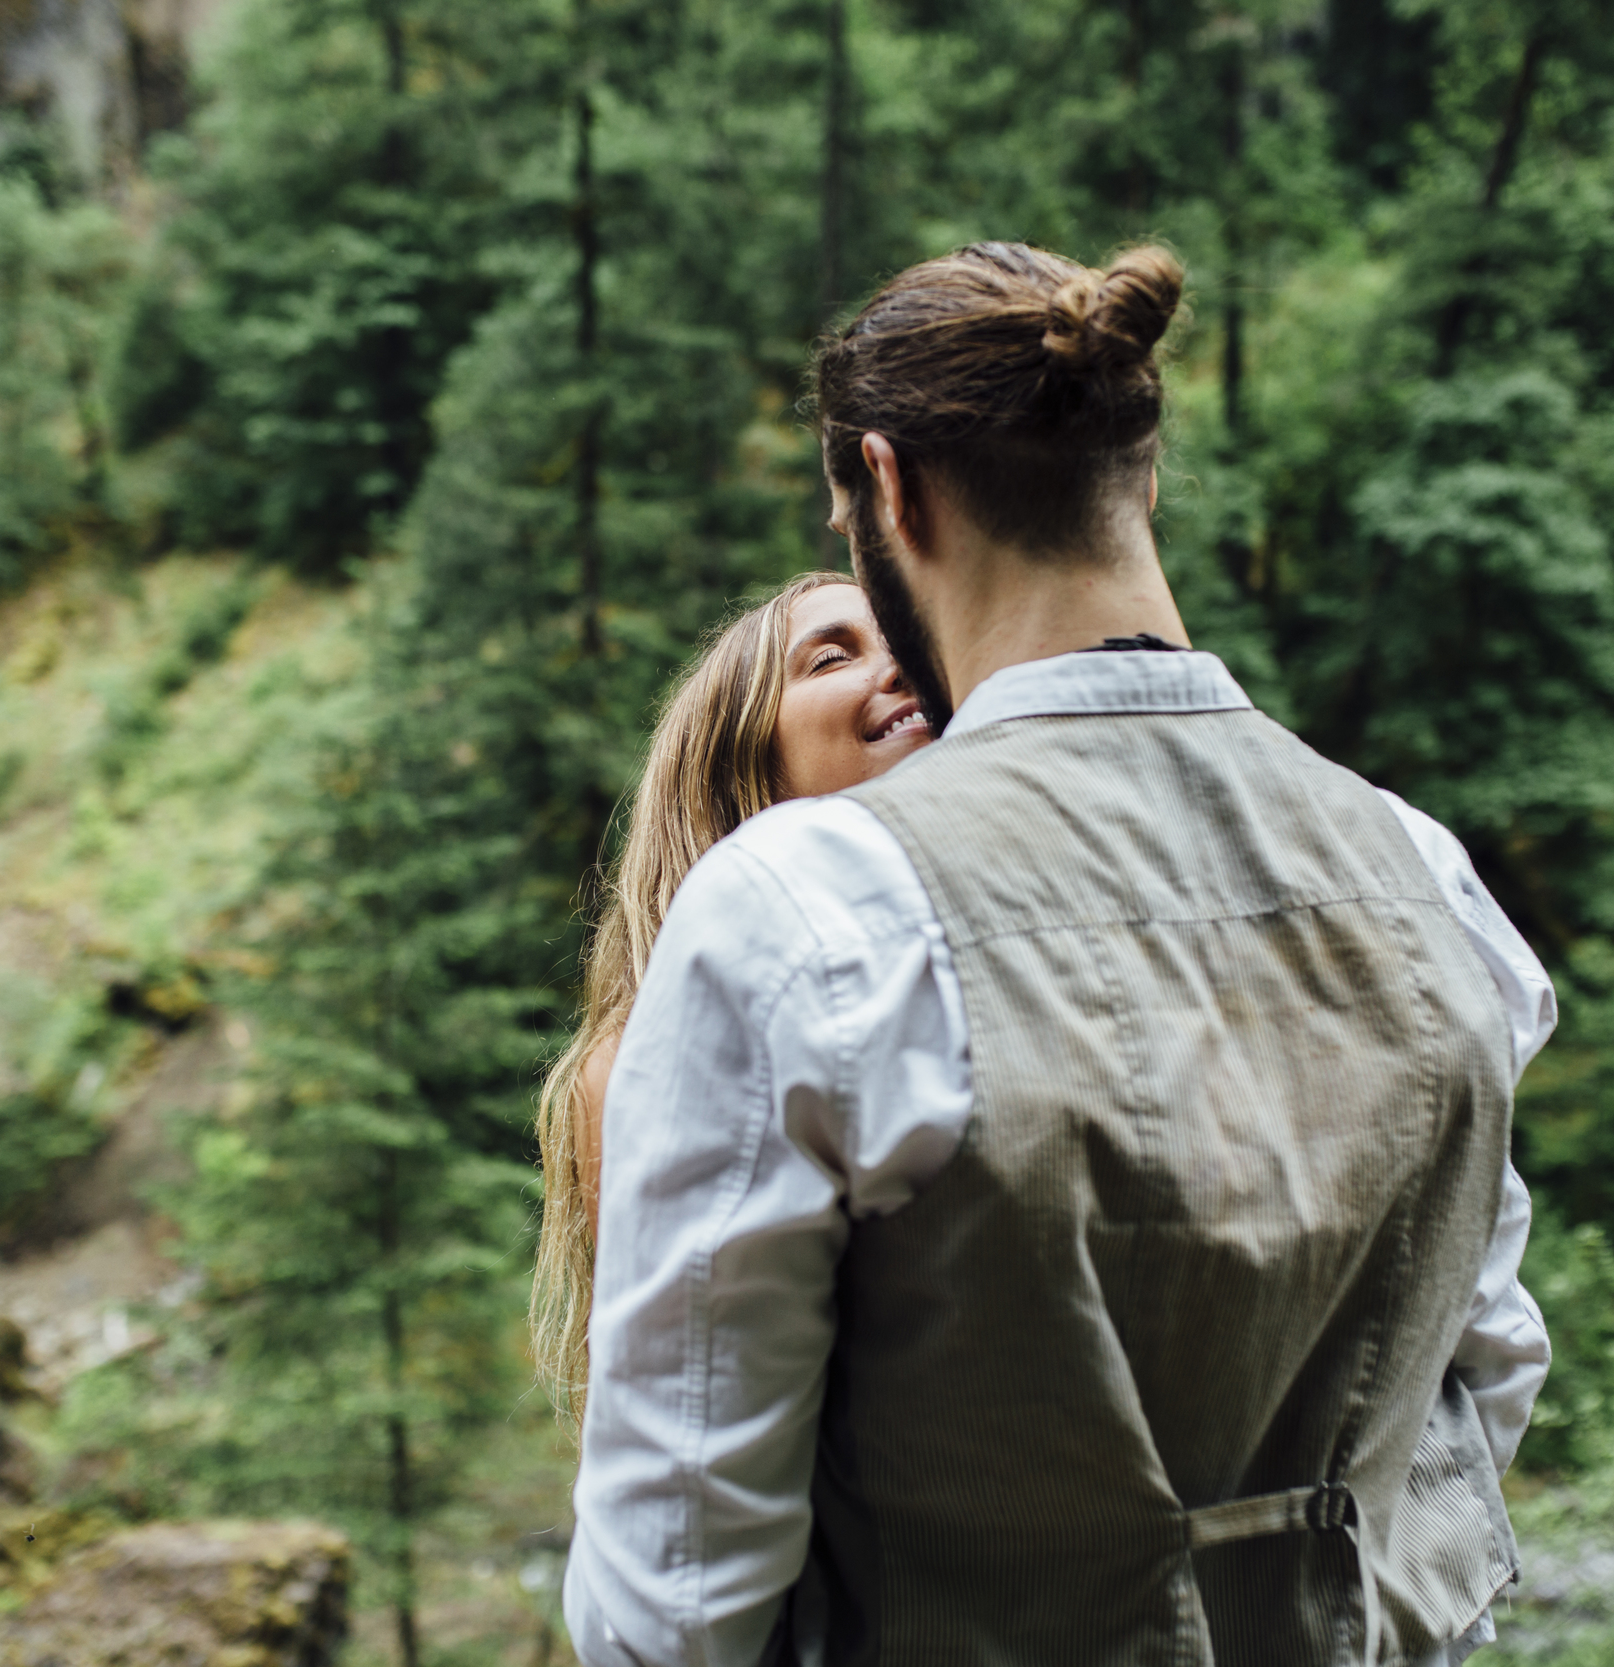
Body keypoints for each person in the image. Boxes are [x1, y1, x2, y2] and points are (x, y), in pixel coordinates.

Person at [563, 242, 1555, 1667]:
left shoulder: (801, 903)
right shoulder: (1423, 866)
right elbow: (1487, 1370)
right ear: (1143, 476)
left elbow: (676, 1592)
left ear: (889, 489)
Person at [533, 572, 929, 1426]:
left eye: (908, 640)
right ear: (742, 771)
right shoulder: (647, 1059)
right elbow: (683, 1419)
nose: (901, 668)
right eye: (832, 657)